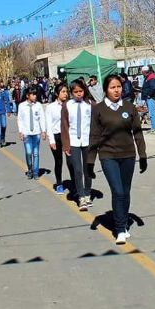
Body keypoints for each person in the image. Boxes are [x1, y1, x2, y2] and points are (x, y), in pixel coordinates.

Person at [88, 74, 147, 244]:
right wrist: (90, 162)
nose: (116, 90)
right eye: (112, 87)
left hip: (128, 155)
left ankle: (124, 221)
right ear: (106, 89)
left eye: (119, 87)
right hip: (108, 156)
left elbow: (137, 132)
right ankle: (120, 228)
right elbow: (94, 136)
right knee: (118, 191)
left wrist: (142, 155)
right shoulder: (98, 109)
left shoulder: (129, 107)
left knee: (126, 192)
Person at [61, 79, 94, 211]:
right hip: (74, 141)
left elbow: (96, 123)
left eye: (81, 91)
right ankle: (81, 196)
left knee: (88, 169)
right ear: (71, 93)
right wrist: (66, 145)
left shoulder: (90, 104)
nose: (78, 94)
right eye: (75, 92)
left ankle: (87, 193)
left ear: (84, 91)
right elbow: (64, 126)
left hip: (88, 141)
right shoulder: (67, 105)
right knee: (77, 169)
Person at [47, 84, 73, 195]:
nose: (65, 94)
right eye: (63, 91)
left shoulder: (71, 105)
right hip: (56, 136)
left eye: (66, 91)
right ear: (57, 93)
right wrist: (51, 140)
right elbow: (48, 124)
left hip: (68, 136)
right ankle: (59, 184)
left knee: (71, 162)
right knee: (58, 162)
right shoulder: (51, 107)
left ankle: (75, 184)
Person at [17, 86, 47, 180]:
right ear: (27, 95)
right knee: (29, 152)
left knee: (36, 153)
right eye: (33, 94)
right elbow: (20, 119)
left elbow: (42, 118)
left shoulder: (38, 105)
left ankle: (35, 172)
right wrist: (20, 131)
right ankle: (30, 169)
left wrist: (43, 131)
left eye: (35, 94)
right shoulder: (22, 106)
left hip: (36, 132)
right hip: (26, 133)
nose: (35, 96)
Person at [141, 66, 155, 133]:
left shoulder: (151, 77)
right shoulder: (148, 77)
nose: (141, 72)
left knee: (152, 113)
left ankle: (154, 128)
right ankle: (153, 127)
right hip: (148, 97)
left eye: (142, 71)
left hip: (150, 97)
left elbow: (153, 88)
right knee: (150, 112)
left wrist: (149, 95)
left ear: (144, 72)